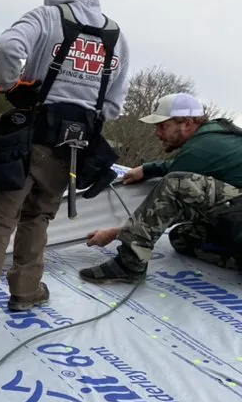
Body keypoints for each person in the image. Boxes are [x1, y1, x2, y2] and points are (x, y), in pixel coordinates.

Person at [0, 0, 132, 327]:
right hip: (74, 148)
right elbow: (113, 106)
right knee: (38, 218)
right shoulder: (116, 36)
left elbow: (8, 45)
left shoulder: (47, 17)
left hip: (28, 139)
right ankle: (26, 293)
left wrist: (11, 86)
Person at [81, 93, 242, 281]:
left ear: (188, 123)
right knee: (183, 238)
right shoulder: (213, 140)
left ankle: (129, 264)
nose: (157, 133)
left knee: (176, 184)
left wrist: (117, 232)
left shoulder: (200, 149)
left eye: (163, 126)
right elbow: (181, 167)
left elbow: (167, 204)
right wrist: (148, 169)